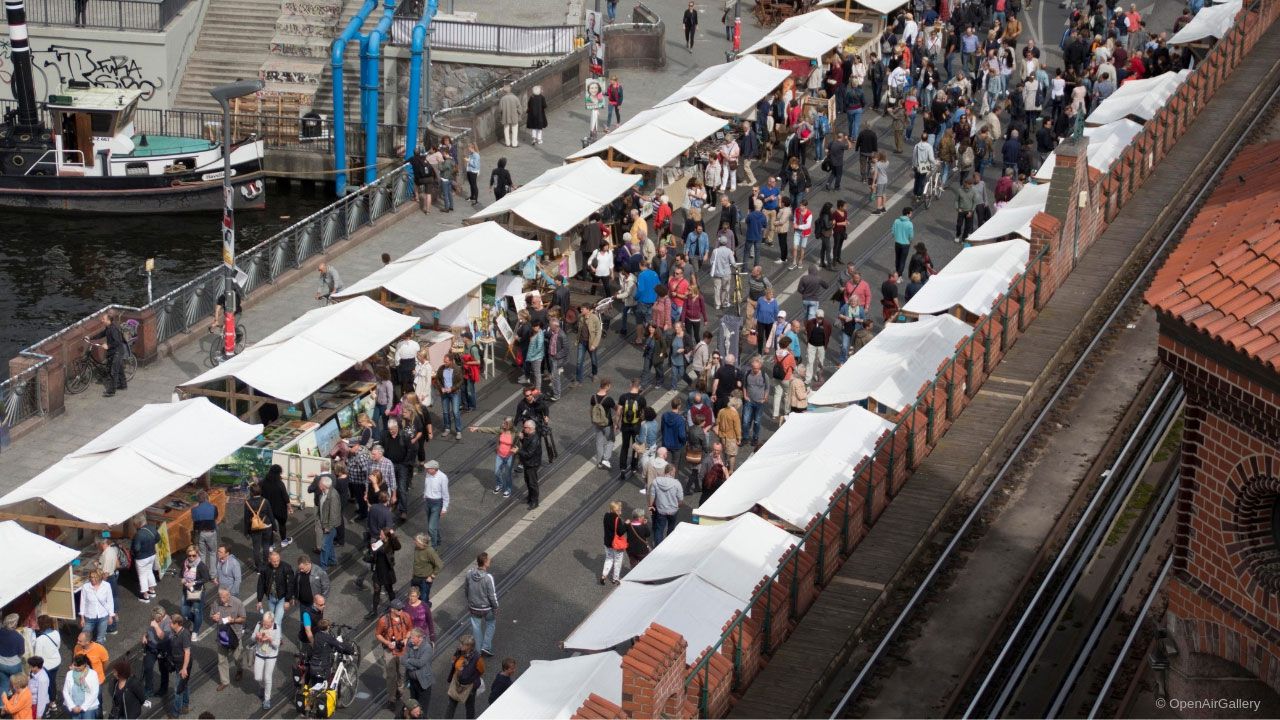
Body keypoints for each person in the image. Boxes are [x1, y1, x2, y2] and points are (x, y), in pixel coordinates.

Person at [375, 600, 412, 710]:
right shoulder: (383, 621)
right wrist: (387, 643)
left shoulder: (406, 616)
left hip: (402, 649)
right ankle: (391, 698)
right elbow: (378, 634)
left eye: (402, 608)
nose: (401, 610)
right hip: (389, 651)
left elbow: (410, 629)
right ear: (392, 609)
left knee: (401, 673)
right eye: (399, 609)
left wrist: (405, 639)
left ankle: (399, 690)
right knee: (391, 676)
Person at [210, 587, 246, 691]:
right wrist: (214, 618)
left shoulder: (237, 603)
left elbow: (243, 618)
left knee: (237, 657)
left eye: (224, 597)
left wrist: (233, 620)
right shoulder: (216, 603)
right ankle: (224, 681)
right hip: (222, 635)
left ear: (229, 595)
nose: (222, 599)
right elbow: (212, 616)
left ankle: (240, 670)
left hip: (235, 634)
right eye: (220, 597)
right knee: (221, 660)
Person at [464, 553, 498, 657]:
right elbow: (492, 595)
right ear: (485, 562)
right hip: (487, 608)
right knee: (491, 624)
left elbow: (466, 589)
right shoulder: (488, 577)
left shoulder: (469, 573)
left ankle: (478, 651)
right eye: (489, 560)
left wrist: (469, 601)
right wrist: (495, 607)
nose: (490, 561)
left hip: (474, 607)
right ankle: (486, 647)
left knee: (476, 628)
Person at [444, 636, 485, 719]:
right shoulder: (459, 652)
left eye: (462, 644)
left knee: (469, 706)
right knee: (451, 706)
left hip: (469, 686)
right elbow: (453, 661)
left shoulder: (477, 658)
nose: (460, 645)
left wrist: (472, 680)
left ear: (469, 646)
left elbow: (481, 670)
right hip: (456, 682)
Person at [368, 527, 402, 620]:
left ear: (386, 536)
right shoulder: (379, 542)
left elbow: (398, 547)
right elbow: (373, 552)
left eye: (381, 534)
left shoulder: (391, 543)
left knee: (389, 590)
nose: (380, 535)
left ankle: (394, 607)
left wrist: (393, 536)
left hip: (387, 571)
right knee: (376, 590)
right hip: (378, 570)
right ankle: (374, 611)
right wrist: (372, 549)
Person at [250, 612, 281, 711]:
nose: (265, 626)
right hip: (259, 653)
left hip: (271, 655)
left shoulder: (277, 628)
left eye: (267, 624)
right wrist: (257, 637)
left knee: (267, 677)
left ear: (272, 622)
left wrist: (270, 639)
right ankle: (262, 686)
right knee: (257, 677)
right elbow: (252, 637)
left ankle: (267, 699)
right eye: (264, 623)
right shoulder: (259, 624)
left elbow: (277, 645)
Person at [93, 312, 129, 397]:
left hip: (117, 352)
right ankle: (123, 385)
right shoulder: (108, 327)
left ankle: (111, 391)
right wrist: (90, 338)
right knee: (119, 369)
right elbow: (102, 334)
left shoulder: (113, 329)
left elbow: (117, 342)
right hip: (115, 351)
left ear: (108, 320)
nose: (102, 320)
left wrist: (108, 345)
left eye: (103, 319)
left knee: (114, 371)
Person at [177, 546, 210, 636]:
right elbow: (181, 574)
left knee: (197, 611)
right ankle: (196, 622)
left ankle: (195, 631)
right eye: (189, 555)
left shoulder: (201, 565)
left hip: (197, 592)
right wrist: (182, 579)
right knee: (184, 612)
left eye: (194, 555)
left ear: (197, 554)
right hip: (186, 591)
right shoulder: (185, 563)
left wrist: (194, 583)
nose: (191, 557)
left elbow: (206, 578)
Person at [255, 551, 293, 625]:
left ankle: (276, 636)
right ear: (269, 560)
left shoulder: (286, 567)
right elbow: (261, 584)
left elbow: (290, 584)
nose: (276, 563)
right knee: (271, 621)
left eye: (278, 560)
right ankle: (275, 635)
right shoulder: (265, 568)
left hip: (282, 598)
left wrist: (288, 600)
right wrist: (259, 600)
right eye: (274, 561)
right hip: (271, 598)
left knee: (277, 622)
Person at [259, 464, 292, 549]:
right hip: (280, 508)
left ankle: (271, 544)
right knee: (282, 524)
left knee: (269, 526)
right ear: (279, 473)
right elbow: (285, 497)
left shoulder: (262, 482)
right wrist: (289, 507)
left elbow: (259, 494)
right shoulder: (280, 483)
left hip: (267, 508)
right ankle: (284, 541)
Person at [242, 484, 274, 572]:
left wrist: (246, 531)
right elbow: (270, 514)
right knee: (266, 546)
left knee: (256, 548)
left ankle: (259, 567)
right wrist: (274, 527)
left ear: (251, 492)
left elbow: (246, 519)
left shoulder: (248, 503)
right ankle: (266, 564)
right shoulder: (265, 501)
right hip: (266, 525)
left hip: (255, 527)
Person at [165, 615, 191, 718]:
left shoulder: (184, 634)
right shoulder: (174, 632)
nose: (170, 624)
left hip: (183, 665)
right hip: (177, 663)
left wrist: (184, 668)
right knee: (185, 684)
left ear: (177, 624)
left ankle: (175, 713)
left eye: (171, 623)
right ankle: (185, 705)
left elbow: (187, 652)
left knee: (178, 689)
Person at [78, 571, 114, 645]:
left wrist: (110, 616)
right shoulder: (85, 587)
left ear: (100, 577)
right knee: (84, 637)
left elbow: (110, 601)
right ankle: (83, 654)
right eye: (91, 577)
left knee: (100, 639)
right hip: (89, 616)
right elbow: (83, 602)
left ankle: (98, 655)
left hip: (103, 616)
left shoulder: (107, 585)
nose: (92, 579)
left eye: (95, 577)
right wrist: (82, 618)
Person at [649, 465, 683, 545]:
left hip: (661, 510)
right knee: (671, 528)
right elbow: (681, 499)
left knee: (659, 529)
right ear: (670, 472)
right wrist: (677, 506)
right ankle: (669, 544)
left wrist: (650, 506)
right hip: (673, 510)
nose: (675, 473)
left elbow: (652, 495)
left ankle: (657, 547)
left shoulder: (656, 481)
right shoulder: (677, 483)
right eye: (674, 472)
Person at [410, 531, 445, 605]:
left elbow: (440, 564)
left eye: (416, 541)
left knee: (423, 599)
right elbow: (416, 562)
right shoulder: (416, 548)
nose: (414, 542)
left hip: (424, 579)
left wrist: (432, 576)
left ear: (421, 542)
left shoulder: (430, 551)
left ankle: (425, 612)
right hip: (416, 577)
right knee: (414, 596)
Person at [314, 475, 342, 568]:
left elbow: (334, 514)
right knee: (329, 544)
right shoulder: (323, 493)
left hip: (329, 526)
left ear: (323, 485)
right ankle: (332, 560)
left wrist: (328, 527)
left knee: (324, 546)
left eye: (319, 482)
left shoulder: (333, 496)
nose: (318, 484)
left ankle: (323, 566)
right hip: (323, 522)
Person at [403, 628, 434, 710]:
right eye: (411, 637)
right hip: (413, 681)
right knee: (413, 707)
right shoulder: (410, 644)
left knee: (422, 709)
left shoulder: (427, 648)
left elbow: (421, 663)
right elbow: (403, 659)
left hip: (423, 682)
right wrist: (413, 667)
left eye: (413, 637)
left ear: (420, 638)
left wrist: (409, 660)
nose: (410, 639)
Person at [590, 379, 618, 469]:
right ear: (607, 386)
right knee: (611, 440)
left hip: (596, 423)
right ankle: (605, 458)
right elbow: (617, 409)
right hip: (607, 424)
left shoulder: (593, 397)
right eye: (609, 386)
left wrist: (593, 420)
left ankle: (599, 462)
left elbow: (591, 410)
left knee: (599, 442)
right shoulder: (608, 399)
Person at [422, 460, 450, 548]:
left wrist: (444, 508)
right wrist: (425, 495)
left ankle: (433, 546)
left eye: (428, 468)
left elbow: (445, 494)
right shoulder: (428, 474)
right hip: (428, 502)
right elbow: (426, 486)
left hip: (437, 504)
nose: (426, 470)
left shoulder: (443, 477)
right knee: (433, 525)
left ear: (434, 469)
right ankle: (437, 540)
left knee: (431, 527)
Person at [62, 655, 99, 720]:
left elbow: (95, 693)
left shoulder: (93, 674)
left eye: (78, 666)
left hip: (88, 708)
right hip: (74, 707)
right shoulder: (69, 674)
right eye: (75, 665)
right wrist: (72, 706)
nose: (76, 667)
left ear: (84, 664)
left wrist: (83, 707)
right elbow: (65, 691)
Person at [601, 500, 628, 585]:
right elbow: (620, 532)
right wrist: (626, 524)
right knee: (617, 561)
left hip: (607, 542)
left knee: (609, 559)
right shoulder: (617, 519)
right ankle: (615, 578)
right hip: (616, 544)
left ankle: (604, 575)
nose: (621, 510)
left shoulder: (606, 515)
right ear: (617, 510)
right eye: (620, 509)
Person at [32, 616, 61, 696]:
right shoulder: (56, 633)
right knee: (52, 681)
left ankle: (49, 700)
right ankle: (53, 701)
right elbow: (58, 646)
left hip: (46, 666)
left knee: (47, 683)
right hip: (56, 662)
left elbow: (38, 657)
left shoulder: (40, 639)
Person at [518, 419, 543, 509]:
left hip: (532, 464)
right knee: (527, 481)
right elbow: (525, 445)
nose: (523, 429)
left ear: (530, 428)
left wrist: (518, 451)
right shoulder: (529, 435)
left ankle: (535, 501)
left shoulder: (534, 439)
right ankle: (530, 497)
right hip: (528, 463)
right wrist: (522, 439)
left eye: (525, 427)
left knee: (532, 483)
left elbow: (528, 453)